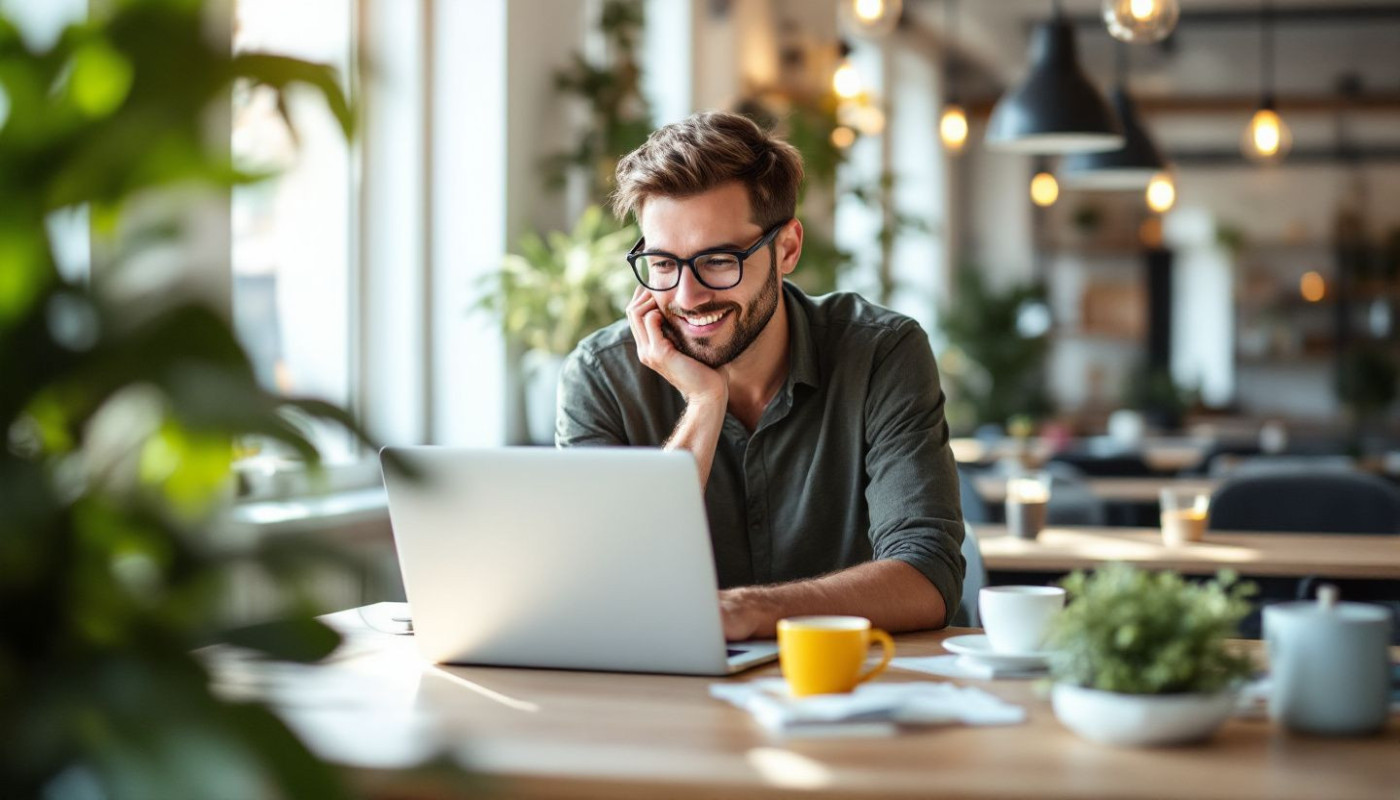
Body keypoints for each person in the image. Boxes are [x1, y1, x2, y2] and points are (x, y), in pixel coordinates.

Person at [556, 111, 964, 641]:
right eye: (662, 263)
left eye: (719, 260)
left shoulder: (881, 353)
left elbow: (927, 575)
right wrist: (704, 404)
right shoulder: (600, 376)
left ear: (787, 249)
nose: (686, 296)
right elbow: (605, 583)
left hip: (847, 688)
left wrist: (753, 610)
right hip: (668, 698)